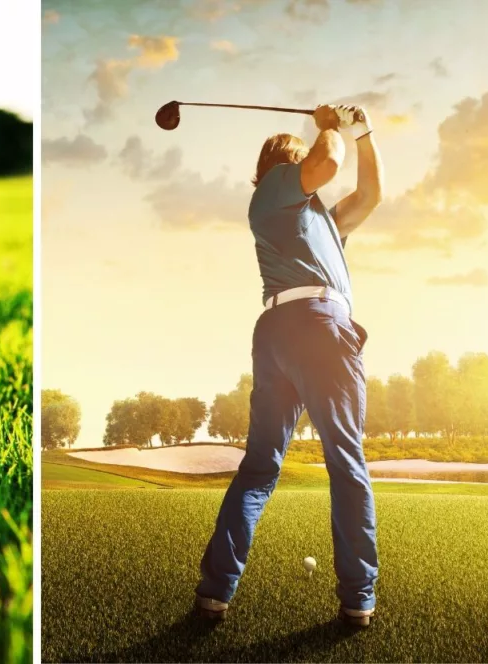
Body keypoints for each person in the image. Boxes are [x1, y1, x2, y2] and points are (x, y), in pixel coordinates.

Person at [193, 104, 384, 627]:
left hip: (280, 331)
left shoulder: (318, 219)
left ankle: (215, 592)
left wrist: (363, 131)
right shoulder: (277, 187)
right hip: (317, 326)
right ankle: (358, 598)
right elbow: (326, 162)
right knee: (346, 463)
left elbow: (370, 196)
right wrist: (330, 125)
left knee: (261, 467)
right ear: (285, 164)